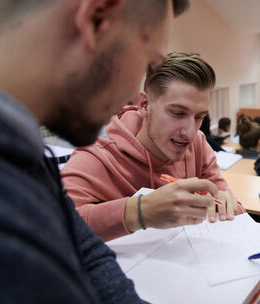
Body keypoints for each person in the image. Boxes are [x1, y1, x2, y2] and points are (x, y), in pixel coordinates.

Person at [0, 1, 260, 304]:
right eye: (146, 61)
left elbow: (82, 246)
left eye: (199, 117)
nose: (189, 130)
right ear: (97, 20)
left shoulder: (19, 159)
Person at [61, 52, 240, 241]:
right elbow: (52, 226)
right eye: (178, 113)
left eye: (199, 117)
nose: (189, 132)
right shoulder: (96, 157)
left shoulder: (199, 144)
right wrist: (140, 211)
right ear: (145, 104)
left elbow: (234, 211)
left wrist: (227, 204)